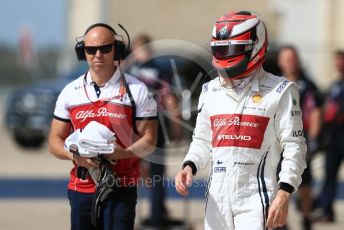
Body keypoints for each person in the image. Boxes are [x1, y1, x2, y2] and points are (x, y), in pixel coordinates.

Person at [175, 10, 307, 230]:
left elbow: (295, 146)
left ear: (254, 45)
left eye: (231, 49)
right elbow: (202, 141)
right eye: (220, 49)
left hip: (257, 197)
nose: (225, 55)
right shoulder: (210, 90)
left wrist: (285, 192)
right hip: (216, 198)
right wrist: (189, 166)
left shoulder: (281, 90)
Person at [48, 23, 158, 230]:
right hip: (81, 188)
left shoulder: (137, 90)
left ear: (116, 49)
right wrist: (76, 157)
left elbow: (150, 141)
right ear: (83, 52)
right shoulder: (70, 92)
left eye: (105, 48)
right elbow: (54, 142)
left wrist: (122, 153)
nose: (98, 54)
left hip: (121, 188)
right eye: (91, 49)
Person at [125, 34, 182, 228]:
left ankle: (128, 215)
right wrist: (177, 128)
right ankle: (157, 215)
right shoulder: (159, 69)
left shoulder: (127, 70)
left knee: (130, 171)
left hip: (129, 126)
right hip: (152, 125)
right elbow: (170, 100)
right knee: (157, 172)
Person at [277, 45, 323, 230]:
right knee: (278, 181)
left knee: (304, 182)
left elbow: (317, 111)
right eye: (287, 59)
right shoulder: (274, 84)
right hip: (279, 142)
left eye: (293, 58)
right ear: (281, 62)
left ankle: (306, 217)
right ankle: (282, 221)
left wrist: (312, 139)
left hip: (301, 142)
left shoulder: (308, 85)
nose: (291, 62)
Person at [312, 50, 344, 223]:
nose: (338, 64)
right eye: (336, 61)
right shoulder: (335, 84)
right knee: (329, 174)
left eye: (341, 60)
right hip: (333, 137)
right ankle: (326, 211)